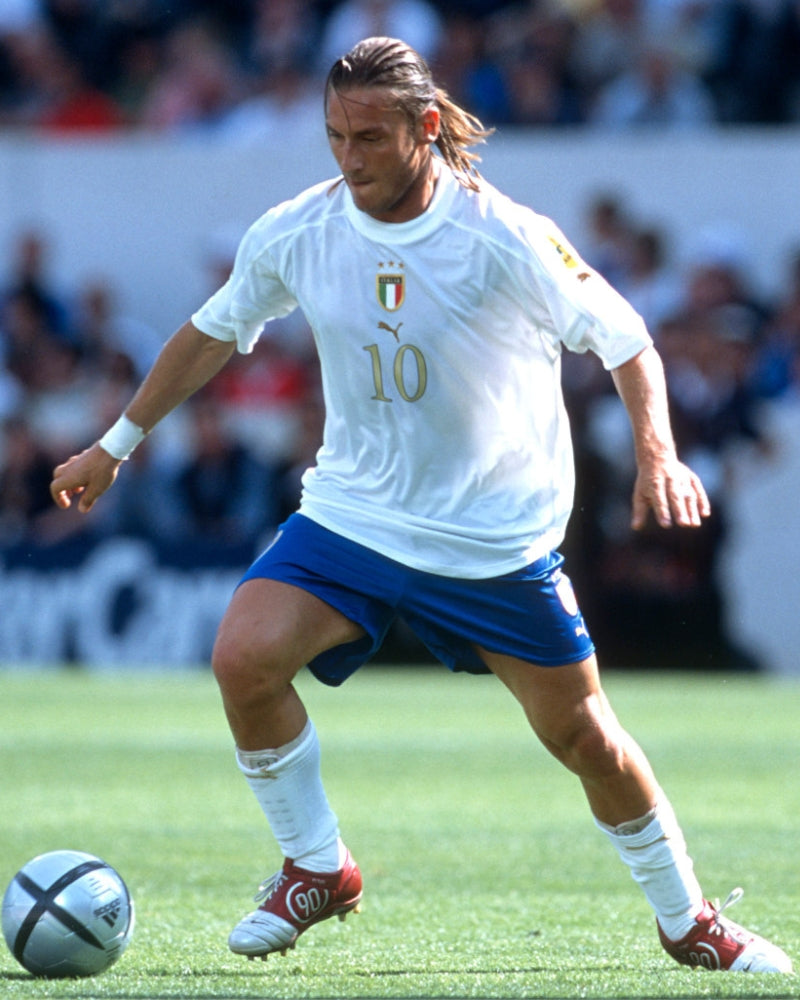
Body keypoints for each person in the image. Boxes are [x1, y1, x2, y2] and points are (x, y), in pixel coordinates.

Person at [50, 36, 792, 974]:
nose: (349, 158)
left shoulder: (502, 235)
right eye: (335, 136)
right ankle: (318, 866)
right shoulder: (299, 229)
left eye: (369, 137)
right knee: (243, 658)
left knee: (585, 737)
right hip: (354, 515)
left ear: (426, 126)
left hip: (492, 536)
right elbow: (211, 332)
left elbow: (627, 340)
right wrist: (114, 445)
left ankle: (690, 922)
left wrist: (658, 456)